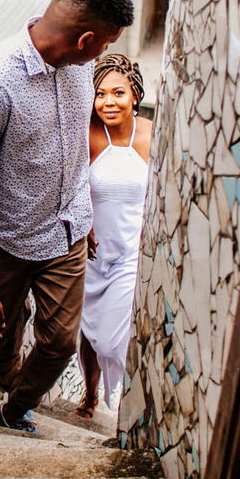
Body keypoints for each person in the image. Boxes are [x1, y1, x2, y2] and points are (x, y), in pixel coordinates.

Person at [0, 0, 134, 434]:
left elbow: (75, 144)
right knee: (1, 334)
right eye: (107, 42)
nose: (105, 52)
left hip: (67, 232)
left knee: (59, 345)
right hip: (6, 240)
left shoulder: (81, 66)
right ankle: (12, 387)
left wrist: (86, 212)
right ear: (86, 38)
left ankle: (14, 410)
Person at [75, 53, 151, 419]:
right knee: (88, 334)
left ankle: (124, 407)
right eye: (100, 94)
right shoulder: (87, 134)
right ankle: (89, 396)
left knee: (109, 341)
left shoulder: (152, 134)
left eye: (118, 93)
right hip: (91, 257)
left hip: (130, 256)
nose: (108, 102)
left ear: (134, 95)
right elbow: (69, 186)